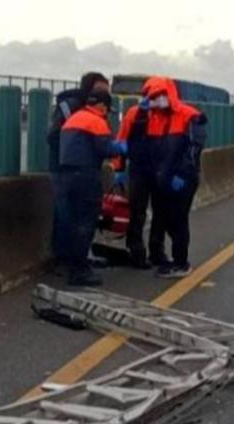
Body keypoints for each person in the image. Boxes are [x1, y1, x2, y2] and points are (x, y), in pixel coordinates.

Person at [114, 76, 207, 277]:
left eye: (159, 96)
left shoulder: (185, 116)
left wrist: (181, 174)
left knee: (164, 215)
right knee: (137, 211)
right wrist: (119, 168)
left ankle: (161, 253)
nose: (156, 100)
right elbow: (123, 140)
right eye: (152, 96)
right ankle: (137, 251)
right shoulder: (138, 115)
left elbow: (191, 149)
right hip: (142, 170)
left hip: (164, 174)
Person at [58, 73, 127, 286]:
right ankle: (80, 271)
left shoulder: (73, 119)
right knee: (85, 224)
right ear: (103, 107)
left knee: (72, 222)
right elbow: (105, 149)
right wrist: (124, 147)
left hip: (66, 177)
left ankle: (73, 265)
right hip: (86, 177)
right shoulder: (96, 122)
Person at [47, 72, 113, 275]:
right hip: (66, 169)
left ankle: (80, 257)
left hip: (83, 169)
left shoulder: (93, 109)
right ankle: (65, 262)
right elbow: (54, 137)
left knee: (80, 218)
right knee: (68, 217)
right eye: (101, 90)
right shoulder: (71, 108)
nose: (104, 95)